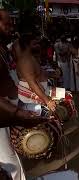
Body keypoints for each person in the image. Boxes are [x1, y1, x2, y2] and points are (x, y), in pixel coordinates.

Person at [0, 9, 41, 180]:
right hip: (3, 117)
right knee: (10, 165)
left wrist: (22, 107)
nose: (11, 27)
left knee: (15, 160)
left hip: (7, 114)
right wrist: (18, 111)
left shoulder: (2, 49)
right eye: (7, 23)